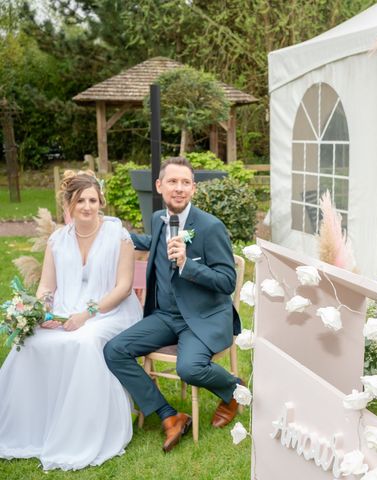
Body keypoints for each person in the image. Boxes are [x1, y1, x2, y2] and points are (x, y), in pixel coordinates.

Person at [0, 171, 143, 471]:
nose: (88, 207)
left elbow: (123, 288)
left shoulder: (119, 236)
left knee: (84, 341)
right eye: (81, 201)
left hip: (112, 314)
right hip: (67, 312)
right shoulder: (57, 240)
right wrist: (41, 312)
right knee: (30, 342)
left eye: (93, 200)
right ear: (69, 204)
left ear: (101, 201)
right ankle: (35, 427)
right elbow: (47, 287)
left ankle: (83, 430)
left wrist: (87, 314)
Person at [104, 156, 243, 453]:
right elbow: (154, 241)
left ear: (193, 188)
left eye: (185, 182)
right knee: (114, 350)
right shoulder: (158, 218)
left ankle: (233, 389)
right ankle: (170, 415)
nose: (178, 188)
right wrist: (116, 233)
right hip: (166, 315)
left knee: (189, 368)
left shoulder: (210, 226)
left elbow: (227, 281)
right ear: (159, 186)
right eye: (172, 182)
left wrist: (188, 266)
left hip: (202, 317)